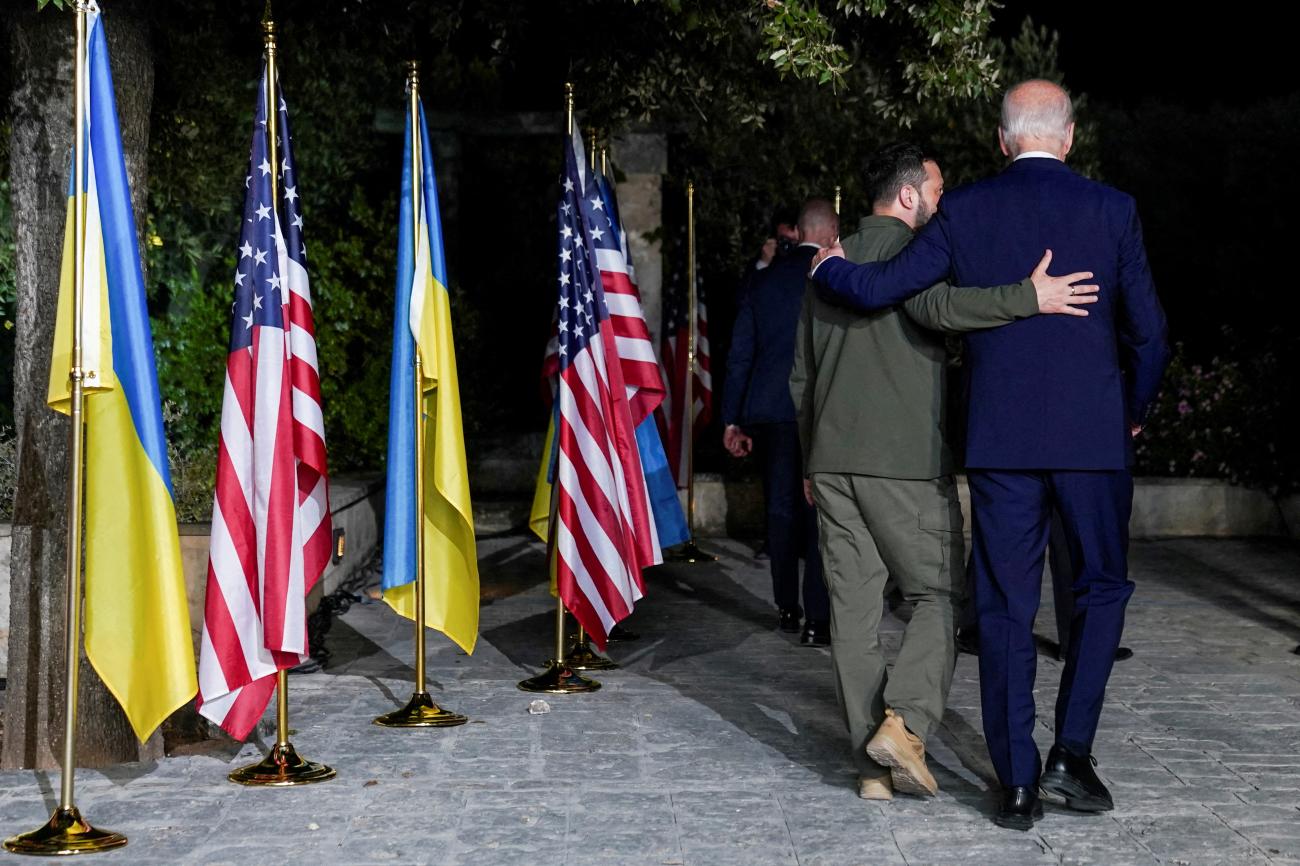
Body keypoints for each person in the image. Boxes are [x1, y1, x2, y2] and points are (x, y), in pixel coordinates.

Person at [809, 79, 1169, 830]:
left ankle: (1015, 784)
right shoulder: (1114, 210)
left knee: (1005, 605)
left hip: (1002, 443)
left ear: (1003, 141)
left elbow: (884, 287)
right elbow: (1151, 334)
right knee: (1100, 592)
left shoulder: (966, 208)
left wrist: (826, 267)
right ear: (1067, 138)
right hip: (1093, 442)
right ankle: (1072, 750)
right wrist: (1128, 415)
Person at [791, 143, 1095, 803]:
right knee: (939, 596)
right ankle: (904, 724)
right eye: (937, 189)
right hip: (902, 465)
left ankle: (873, 767)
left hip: (833, 463)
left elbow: (801, 377)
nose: (944, 200)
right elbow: (946, 311)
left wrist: (812, 457)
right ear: (908, 197)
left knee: (853, 613)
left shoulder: (827, 266)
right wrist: (1030, 296)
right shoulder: (913, 259)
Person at [724, 199, 836, 647]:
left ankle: (787, 607)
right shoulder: (833, 279)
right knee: (820, 511)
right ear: (831, 234)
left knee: (781, 508)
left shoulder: (764, 281)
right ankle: (818, 619)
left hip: (771, 408)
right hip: (821, 409)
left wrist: (732, 418)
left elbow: (740, 354)